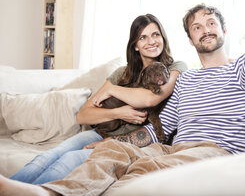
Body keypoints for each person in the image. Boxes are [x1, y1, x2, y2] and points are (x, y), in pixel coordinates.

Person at [0, 0, 245, 196]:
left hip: (215, 153)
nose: (205, 29)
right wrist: (109, 142)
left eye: (211, 23)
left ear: (224, 30)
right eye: (196, 27)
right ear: (190, 39)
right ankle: (50, 191)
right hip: (174, 150)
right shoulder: (186, 81)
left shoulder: (242, 70)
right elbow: (154, 130)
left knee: (148, 169)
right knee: (111, 153)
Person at [8, 14, 187, 184]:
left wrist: (112, 90)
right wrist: (119, 112)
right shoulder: (121, 74)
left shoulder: (175, 67)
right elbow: (83, 116)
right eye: (143, 37)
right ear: (135, 46)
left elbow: (151, 99)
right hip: (99, 132)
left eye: (156, 34)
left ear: (163, 37)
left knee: (69, 160)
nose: (151, 41)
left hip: (128, 142)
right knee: (44, 158)